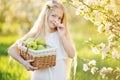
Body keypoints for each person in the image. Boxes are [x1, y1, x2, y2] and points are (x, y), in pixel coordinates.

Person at [8, 0, 76, 80]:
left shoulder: (61, 35)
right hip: (40, 76)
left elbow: (72, 54)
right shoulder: (37, 34)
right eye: (53, 15)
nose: (56, 20)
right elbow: (11, 50)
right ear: (46, 15)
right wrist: (24, 63)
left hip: (58, 75)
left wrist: (62, 36)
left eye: (59, 18)